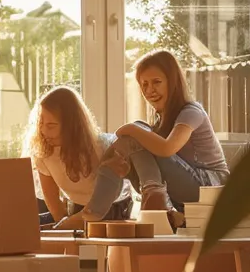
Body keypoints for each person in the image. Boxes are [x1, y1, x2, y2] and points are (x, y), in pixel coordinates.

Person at [87, 50, 230, 229]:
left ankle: (94, 210)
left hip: (210, 185)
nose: (149, 90)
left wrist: (132, 129)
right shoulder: (160, 120)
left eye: (156, 82)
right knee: (134, 143)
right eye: (144, 84)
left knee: (137, 134)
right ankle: (144, 201)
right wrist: (128, 168)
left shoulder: (191, 111)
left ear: (173, 82)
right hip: (185, 190)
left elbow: (167, 148)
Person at [27, 87, 132, 230]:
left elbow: (105, 196)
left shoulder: (100, 148)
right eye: (40, 124)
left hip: (114, 205)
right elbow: (51, 198)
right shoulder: (43, 153)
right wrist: (64, 227)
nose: (44, 131)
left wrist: (71, 223)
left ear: (71, 126)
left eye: (51, 125)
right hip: (77, 206)